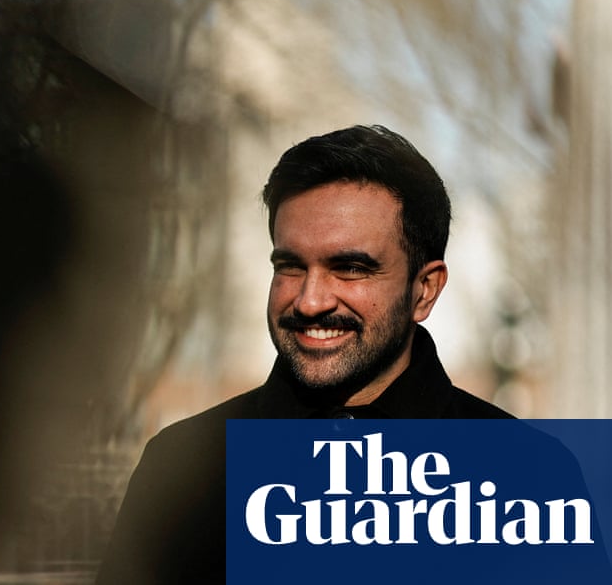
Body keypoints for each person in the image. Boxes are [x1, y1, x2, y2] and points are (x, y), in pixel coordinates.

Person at [94, 124, 517, 585]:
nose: (310, 301)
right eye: (290, 266)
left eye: (351, 268)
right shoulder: (180, 469)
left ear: (425, 289)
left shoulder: (523, 475)